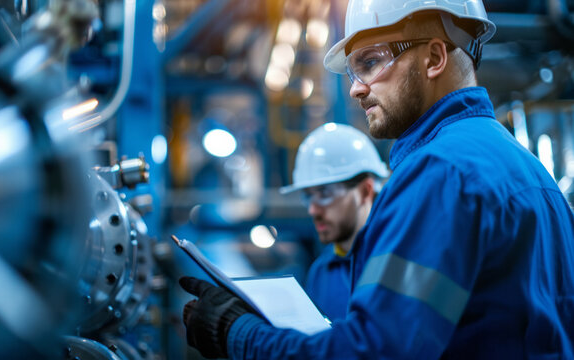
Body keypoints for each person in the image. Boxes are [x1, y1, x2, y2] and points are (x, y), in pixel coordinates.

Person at [179, 0, 574, 358]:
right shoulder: (532, 174)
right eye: (353, 70)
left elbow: (374, 353)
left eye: (370, 62)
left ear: (434, 57)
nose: (355, 88)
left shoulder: (440, 172)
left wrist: (238, 333)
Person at [278, 122, 389, 322]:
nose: (313, 209)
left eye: (324, 193)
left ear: (365, 191)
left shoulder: (393, 266)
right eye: (308, 196)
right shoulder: (321, 272)